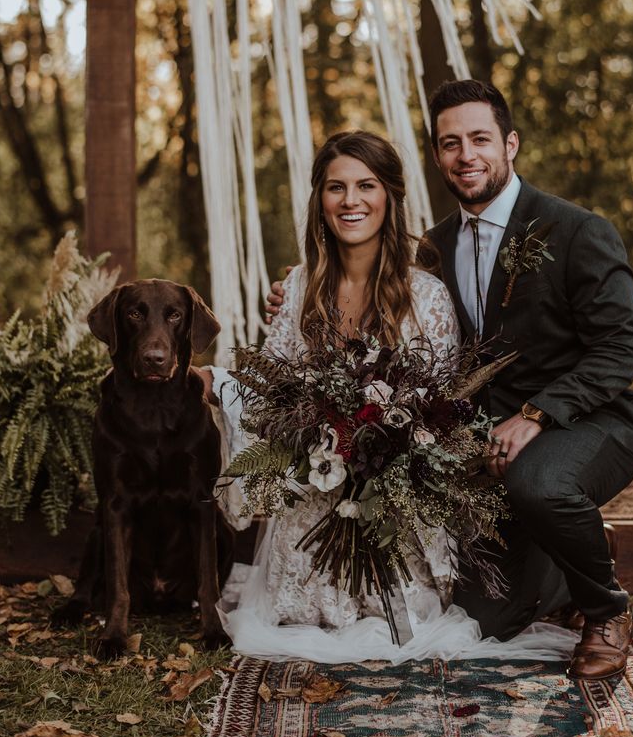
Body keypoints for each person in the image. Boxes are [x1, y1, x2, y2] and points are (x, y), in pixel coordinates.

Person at [267, 84, 633, 680]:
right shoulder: (434, 248)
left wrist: (538, 413)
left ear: (510, 144)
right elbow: (389, 308)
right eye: (451, 144)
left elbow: (625, 348)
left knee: (539, 481)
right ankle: (573, 546)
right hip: (482, 439)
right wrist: (298, 289)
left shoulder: (576, 231)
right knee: (483, 619)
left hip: (591, 421)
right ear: (438, 156)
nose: (466, 155)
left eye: (480, 139)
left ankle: (606, 609)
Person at [208, 130, 574, 663]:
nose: (350, 200)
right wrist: (225, 386)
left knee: (400, 624)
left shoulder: (424, 293)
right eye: (336, 187)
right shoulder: (299, 289)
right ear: (320, 199)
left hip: (395, 499)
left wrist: (384, 445)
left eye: (366, 185)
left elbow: (441, 406)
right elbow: (272, 393)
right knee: (297, 622)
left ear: (389, 197)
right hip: (317, 484)